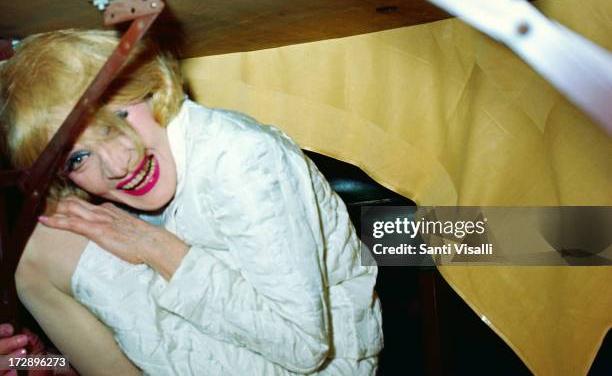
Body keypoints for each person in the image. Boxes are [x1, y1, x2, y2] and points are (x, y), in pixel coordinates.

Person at [0, 30, 383, 375]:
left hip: (314, 366)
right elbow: (142, 342)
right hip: (240, 346)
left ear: (151, 85)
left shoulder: (243, 161)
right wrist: (46, 362)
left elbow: (304, 346)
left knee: (41, 254)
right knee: (43, 245)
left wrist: (153, 246)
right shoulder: (141, 175)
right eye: (78, 159)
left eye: (116, 120)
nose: (117, 165)